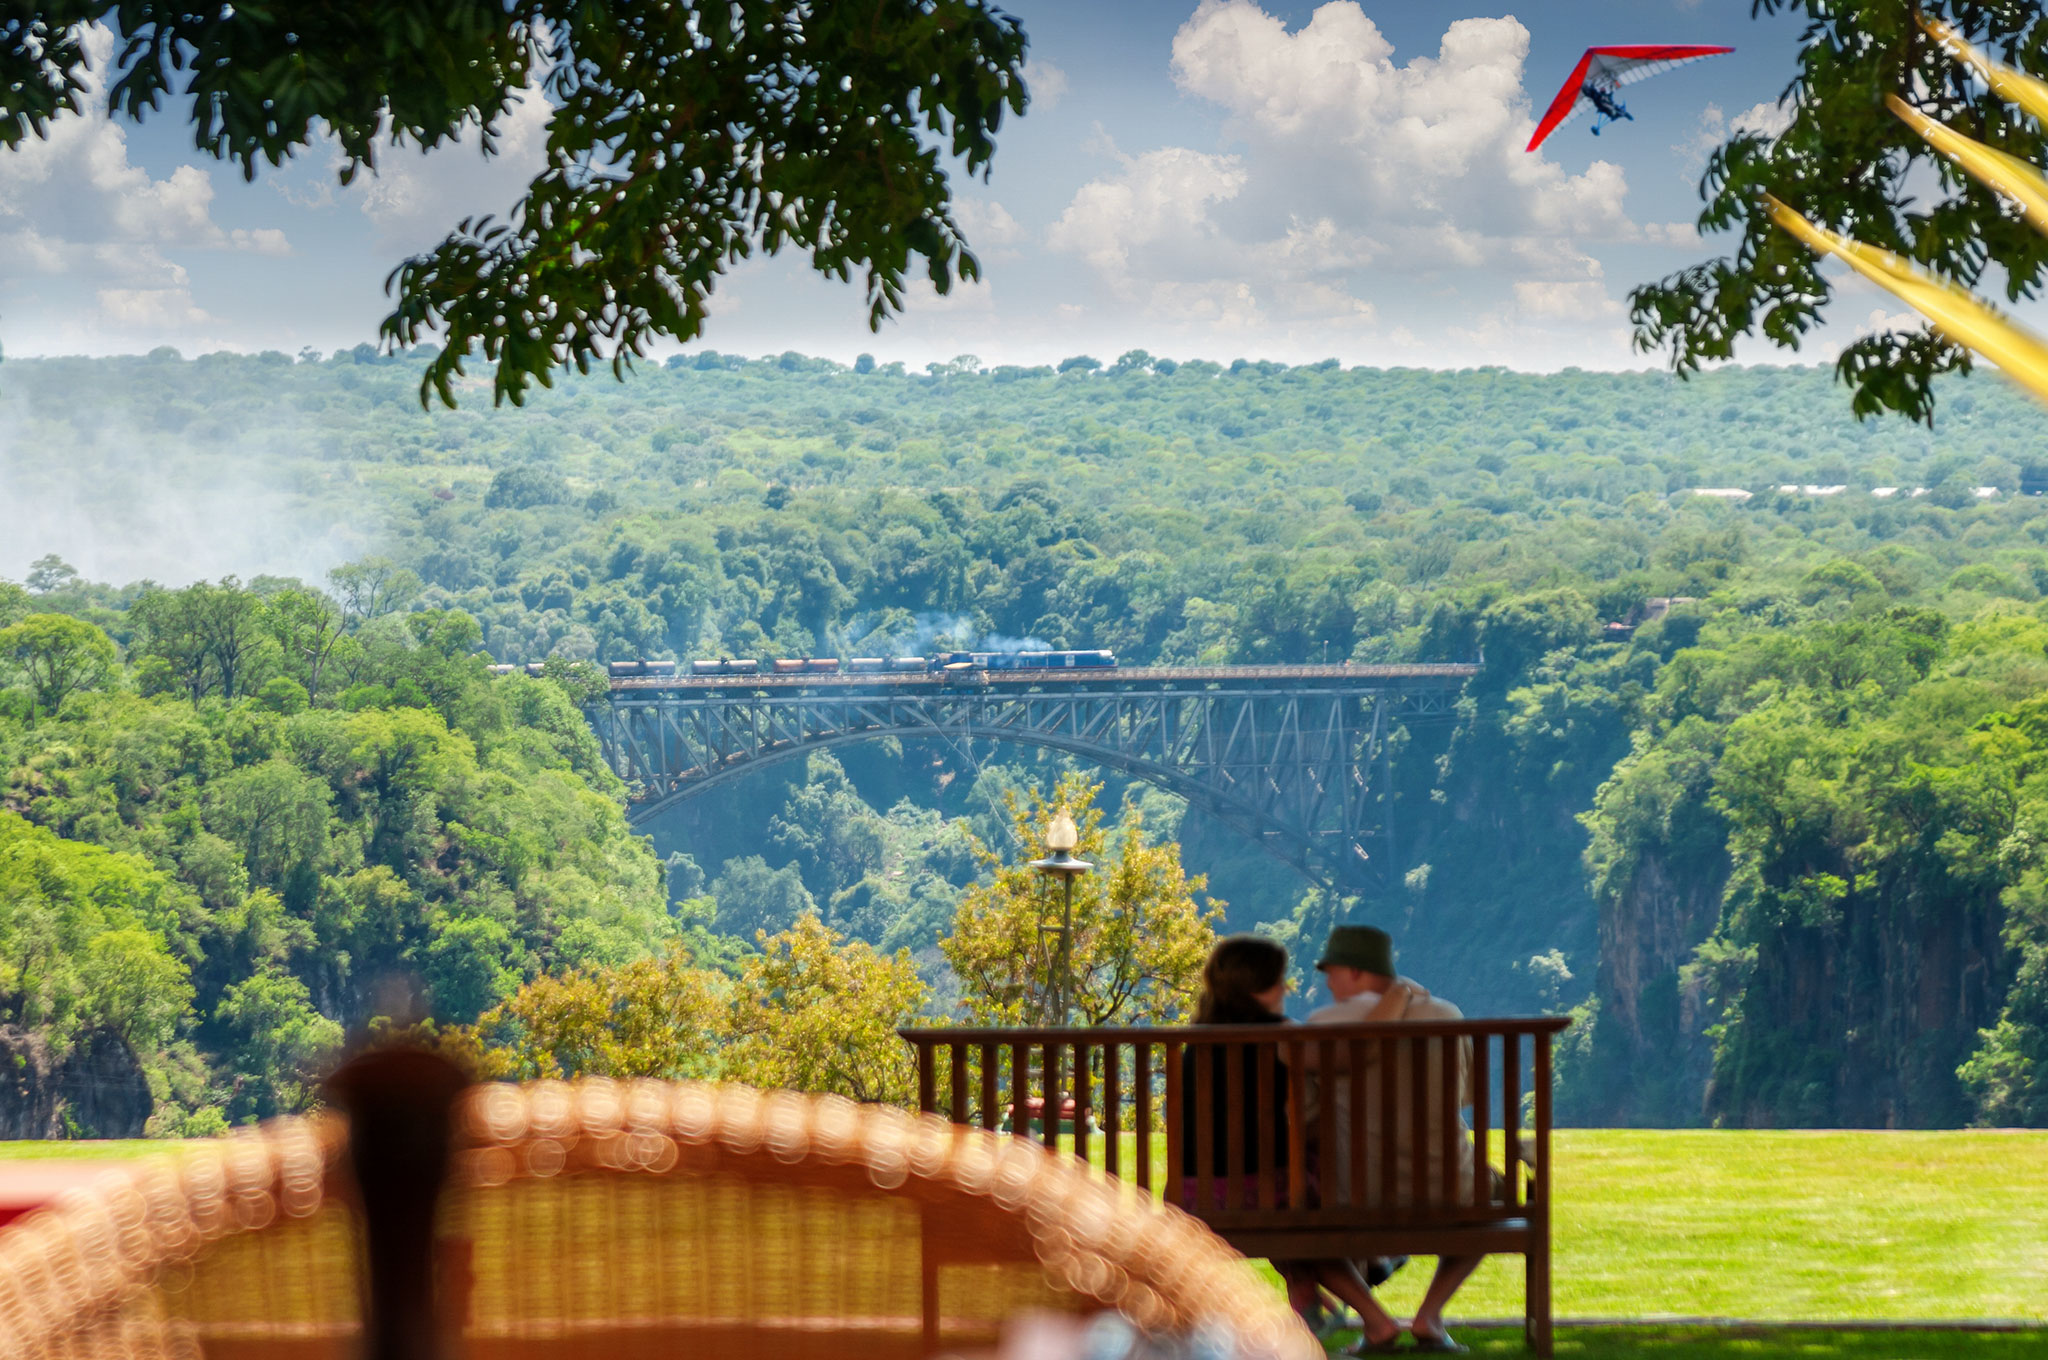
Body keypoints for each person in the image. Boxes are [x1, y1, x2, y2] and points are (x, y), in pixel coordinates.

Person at [1179, 935, 1405, 1352]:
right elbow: (1349, 1061)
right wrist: (1393, 1003)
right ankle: (1374, 1297)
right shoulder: (1281, 1035)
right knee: (1302, 1192)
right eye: (1278, 980)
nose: (1286, 989)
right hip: (1267, 1193)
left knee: (1287, 1199)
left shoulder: (1195, 1041)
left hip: (1197, 1195)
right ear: (1255, 986)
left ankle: (1306, 1301)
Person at [1307, 925, 1483, 1355]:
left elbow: (1308, 1112)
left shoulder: (1325, 1023)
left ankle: (1375, 1321)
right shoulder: (1447, 1014)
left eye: (1331, 972)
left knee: (1301, 1224)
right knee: (1488, 1206)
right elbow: (1465, 1094)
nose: (1327, 983)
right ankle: (1430, 1315)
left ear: (1357, 971)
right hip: (1449, 1189)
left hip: (1356, 1194)